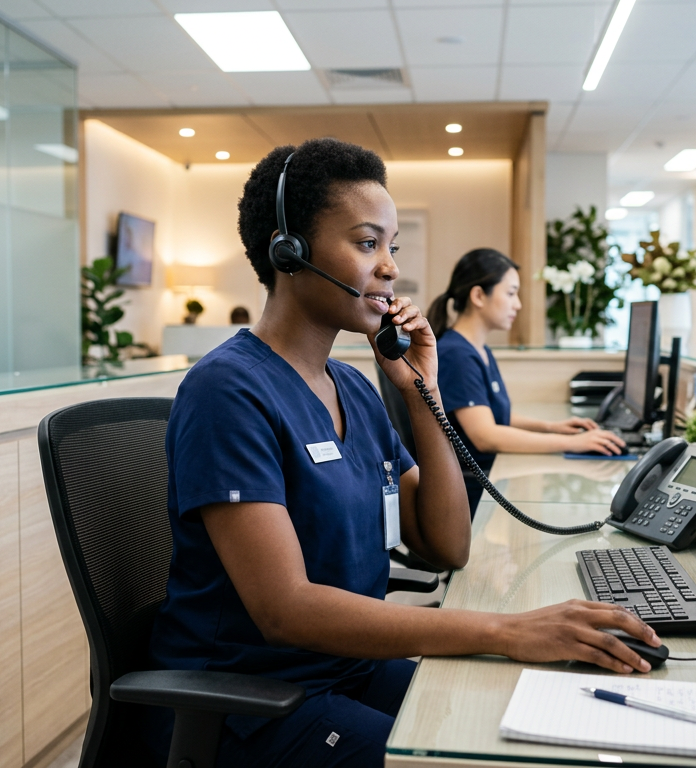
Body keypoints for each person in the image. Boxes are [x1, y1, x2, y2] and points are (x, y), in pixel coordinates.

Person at [143, 138, 660, 768]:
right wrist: (505, 629)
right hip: (252, 704)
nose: (389, 267)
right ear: (290, 250)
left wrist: (423, 393)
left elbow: (446, 545)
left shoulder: (354, 388)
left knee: (526, 718)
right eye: (367, 244)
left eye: (392, 247)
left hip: (349, 672)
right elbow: (285, 608)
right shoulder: (228, 389)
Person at [428, 248, 625, 514]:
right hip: (470, 491)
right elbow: (486, 436)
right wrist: (572, 443)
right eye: (510, 293)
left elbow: (498, 415)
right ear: (478, 296)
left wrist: (553, 427)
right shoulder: (456, 354)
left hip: (489, 476)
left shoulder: (477, 349)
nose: (518, 304)